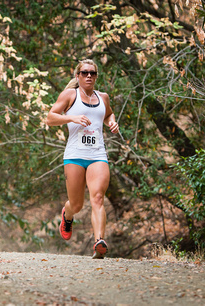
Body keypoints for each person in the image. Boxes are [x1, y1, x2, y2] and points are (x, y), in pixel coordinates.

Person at [46, 59, 119, 259]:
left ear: (96, 76)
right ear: (78, 76)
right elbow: (50, 117)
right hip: (75, 155)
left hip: (97, 155)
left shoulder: (103, 97)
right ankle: (67, 215)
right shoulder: (70, 95)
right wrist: (71, 118)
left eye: (92, 73)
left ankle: (99, 242)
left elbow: (108, 115)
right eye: (85, 72)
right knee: (77, 205)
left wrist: (112, 123)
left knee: (97, 198)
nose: (89, 76)